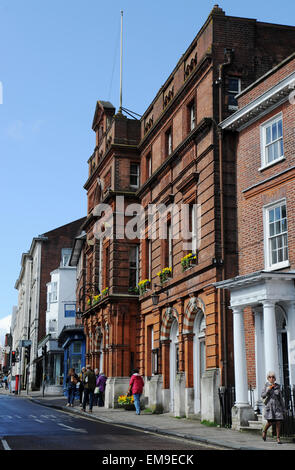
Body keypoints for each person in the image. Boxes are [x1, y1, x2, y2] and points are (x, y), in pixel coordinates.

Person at [261, 371, 285, 444]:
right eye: (270, 377)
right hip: (269, 407)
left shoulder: (277, 386)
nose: (271, 378)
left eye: (273, 377)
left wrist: (283, 407)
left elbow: (280, 398)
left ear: (275, 379)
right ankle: (264, 431)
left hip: (277, 407)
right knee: (270, 422)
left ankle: (278, 438)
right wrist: (268, 390)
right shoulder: (266, 386)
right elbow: (262, 395)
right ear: (268, 378)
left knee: (278, 422)